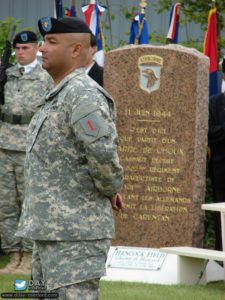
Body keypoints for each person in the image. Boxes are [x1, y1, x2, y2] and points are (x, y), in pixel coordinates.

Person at [16, 17, 124, 299]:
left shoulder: (83, 94)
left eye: (51, 42)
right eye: (43, 42)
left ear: (76, 50)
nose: (41, 49)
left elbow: (102, 155)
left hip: (75, 237)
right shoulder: (57, 93)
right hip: (49, 233)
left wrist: (111, 188)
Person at [0, 31, 52, 275]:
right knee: (6, 205)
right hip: (3, 145)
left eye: (26, 48)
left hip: (30, 146)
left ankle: (30, 257)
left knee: (30, 204)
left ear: (36, 49)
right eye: (17, 49)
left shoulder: (46, 78)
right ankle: (14, 256)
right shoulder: (5, 75)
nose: (20, 53)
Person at [208, 92, 225, 251]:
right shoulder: (214, 103)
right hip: (221, 170)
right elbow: (209, 132)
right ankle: (221, 254)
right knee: (221, 214)